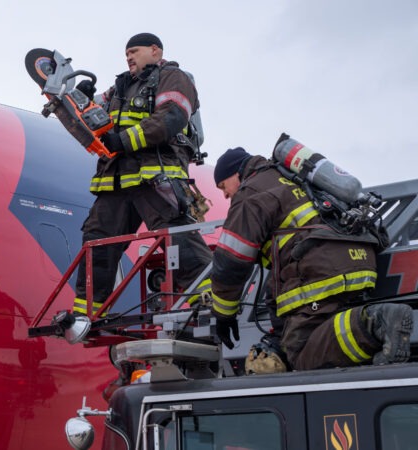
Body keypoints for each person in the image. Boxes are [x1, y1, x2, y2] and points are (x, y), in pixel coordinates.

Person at [210, 146, 413, 371]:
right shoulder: (290, 177)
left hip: (323, 274)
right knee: (321, 330)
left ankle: (374, 323)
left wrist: (224, 314)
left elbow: (230, 262)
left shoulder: (251, 193)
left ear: (236, 173)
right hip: (358, 260)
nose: (225, 195)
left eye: (223, 186)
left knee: (300, 352)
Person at [70, 32, 212, 316]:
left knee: (177, 237)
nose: (128, 57)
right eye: (126, 54)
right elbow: (93, 118)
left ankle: (211, 300)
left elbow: (170, 117)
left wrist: (121, 141)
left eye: (134, 51)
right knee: (97, 242)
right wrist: (81, 99)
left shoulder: (173, 77)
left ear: (155, 51)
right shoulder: (120, 86)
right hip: (115, 180)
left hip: (155, 175)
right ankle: (87, 314)